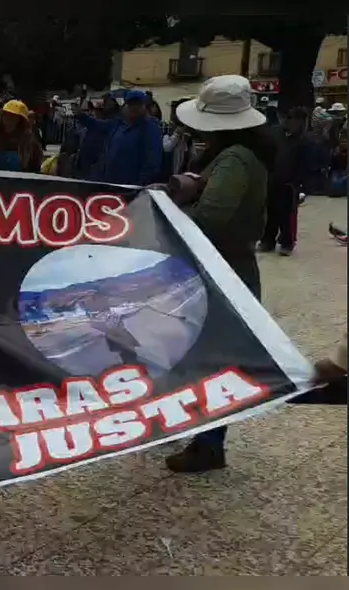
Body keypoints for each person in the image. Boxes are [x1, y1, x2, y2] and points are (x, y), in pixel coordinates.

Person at [162, 75, 275, 474]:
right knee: (202, 354)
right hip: (225, 267)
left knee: (212, 359)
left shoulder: (234, 159)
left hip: (224, 269)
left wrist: (167, 212)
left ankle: (209, 444)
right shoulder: (238, 155)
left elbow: (212, 217)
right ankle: (199, 433)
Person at [77, 89, 163, 186]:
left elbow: (152, 163)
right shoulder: (118, 124)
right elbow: (96, 125)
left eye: (138, 104)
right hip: (108, 184)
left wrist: (138, 185)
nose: (134, 108)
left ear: (144, 107)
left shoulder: (149, 127)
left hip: (130, 189)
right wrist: (80, 115)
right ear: (125, 106)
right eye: (130, 104)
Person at [258, 107, 310, 256]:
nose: (294, 124)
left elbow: (305, 164)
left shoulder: (303, 140)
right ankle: (267, 241)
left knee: (287, 215)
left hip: (290, 184)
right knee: (270, 212)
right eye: (291, 119)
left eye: (299, 121)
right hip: (271, 179)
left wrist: (301, 185)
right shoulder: (275, 133)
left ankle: (287, 243)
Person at [0, 100, 43, 173]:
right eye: (5, 116)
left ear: (21, 121)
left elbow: (35, 174)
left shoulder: (31, 146)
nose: (7, 120)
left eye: (13, 117)